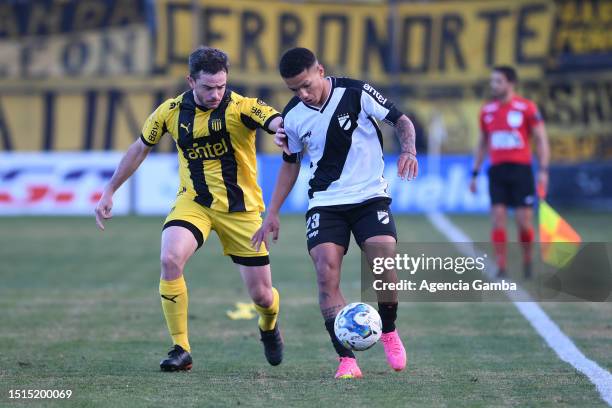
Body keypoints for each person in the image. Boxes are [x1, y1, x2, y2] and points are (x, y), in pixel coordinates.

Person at [95, 46, 284, 371]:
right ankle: (180, 348)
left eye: (221, 86)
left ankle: (268, 327)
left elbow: (274, 119)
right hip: (194, 202)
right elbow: (141, 147)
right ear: (190, 81)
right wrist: (110, 189)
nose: (216, 93)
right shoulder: (170, 111)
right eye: (208, 87)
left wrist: (281, 130)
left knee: (263, 297)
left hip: (242, 210)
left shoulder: (242, 108)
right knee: (169, 259)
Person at [252, 47, 418, 379]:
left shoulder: (355, 92)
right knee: (326, 273)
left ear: (320, 71)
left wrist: (409, 149)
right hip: (325, 202)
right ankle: (346, 359)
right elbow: (290, 164)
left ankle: (387, 330)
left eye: (306, 85)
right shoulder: (294, 115)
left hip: (370, 196)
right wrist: (273, 211)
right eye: (293, 89)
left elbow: (401, 120)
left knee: (383, 261)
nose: (302, 94)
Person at [469, 66, 550, 278]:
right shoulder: (486, 111)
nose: (493, 86)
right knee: (498, 218)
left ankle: (527, 258)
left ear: (510, 84)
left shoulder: (527, 108)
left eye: (498, 81)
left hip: (521, 171)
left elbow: (541, 139)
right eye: (492, 81)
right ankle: (501, 265)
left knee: (524, 221)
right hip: (497, 171)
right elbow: (482, 144)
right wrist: (475, 173)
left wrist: (543, 170)